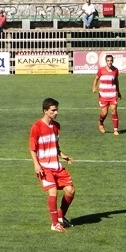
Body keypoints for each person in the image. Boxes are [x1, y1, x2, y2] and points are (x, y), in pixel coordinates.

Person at [29, 98, 75, 233]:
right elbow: (32, 148)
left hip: (56, 165)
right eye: (53, 110)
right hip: (44, 166)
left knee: (70, 190)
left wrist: (63, 155)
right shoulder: (36, 127)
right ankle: (54, 224)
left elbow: (55, 145)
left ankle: (60, 216)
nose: (56, 113)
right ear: (45, 111)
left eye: (56, 110)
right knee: (53, 191)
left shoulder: (56, 126)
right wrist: (36, 165)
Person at [91, 53, 122, 135]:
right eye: (108, 61)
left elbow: (116, 81)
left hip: (112, 94)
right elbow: (96, 79)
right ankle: (100, 123)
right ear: (106, 61)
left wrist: (118, 92)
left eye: (111, 61)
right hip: (103, 95)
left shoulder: (115, 70)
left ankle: (115, 129)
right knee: (104, 113)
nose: (109, 62)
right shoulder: (101, 70)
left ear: (113, 61)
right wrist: (94, 87)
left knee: (114, 110)